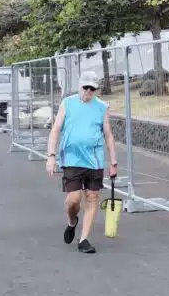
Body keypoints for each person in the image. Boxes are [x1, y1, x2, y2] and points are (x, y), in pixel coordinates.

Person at [45, 71, 118, 254]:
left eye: (92, 89)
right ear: (80, 86)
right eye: (85, 88)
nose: (88, 92)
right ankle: (72, 221)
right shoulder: (67, 103)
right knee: (73, 199)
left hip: (94, 160)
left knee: (92, 197)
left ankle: (84, 239)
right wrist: (51, 156)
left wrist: (113, 162)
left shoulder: (102, 107)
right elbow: (56, 129)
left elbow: (108, 135)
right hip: (72, 158)